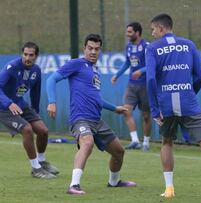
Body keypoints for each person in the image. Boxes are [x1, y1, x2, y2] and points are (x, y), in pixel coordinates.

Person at [146, 13, 201, 200]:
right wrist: (190, 93)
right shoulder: (189, 45)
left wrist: (155, 108)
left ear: (161, 28)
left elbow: (151, 79)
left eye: (153, 29)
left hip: (166, 106)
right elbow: (200, 77)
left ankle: (169, 189)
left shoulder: (152, 48)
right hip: (189, 103)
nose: (152, 33)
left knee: (167, 142)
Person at [47, 34, 137, 195]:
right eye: (90, 48)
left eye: (96, 49)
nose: (93, 52)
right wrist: (52, 101)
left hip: (97, 121)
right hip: (80, 119)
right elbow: (51, 79)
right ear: (84, 48)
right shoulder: (77, 64)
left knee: (119, 151)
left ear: (100, 50)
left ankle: (114, 182)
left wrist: (114, 108)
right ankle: (73, 186)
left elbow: (97, 99)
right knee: (87, 143)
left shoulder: (95, 71)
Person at [0, 41, 59, 179]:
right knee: (27, 130)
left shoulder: (36, 70)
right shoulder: (12, 67)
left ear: (36, 56)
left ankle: (41, 162)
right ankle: (36, 169)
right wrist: (9, 103)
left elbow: (35, 92)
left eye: (31, 55)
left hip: (21, 105)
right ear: (22, 54)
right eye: (25, 54)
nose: (27, 58)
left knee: (43, 130)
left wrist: (36, 111)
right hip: (3, 108)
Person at [111, 22, 151, 151]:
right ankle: (135, 141)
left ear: (137, 33)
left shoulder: (146, 46)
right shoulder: (128, 47)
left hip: (145, 85)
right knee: (126, 111)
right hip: (131, 85)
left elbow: (152, 64)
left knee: (145, 115)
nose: (127, 34)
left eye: (129, 32)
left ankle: (146, 142)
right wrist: (117, 75)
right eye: (127, 31)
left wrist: (141, 71)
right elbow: (127, 63)